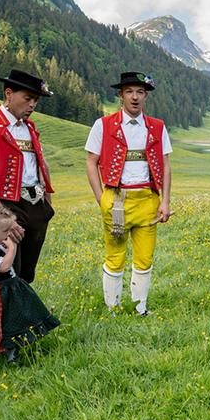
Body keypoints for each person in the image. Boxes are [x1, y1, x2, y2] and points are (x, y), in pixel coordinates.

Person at [85, 71, 173, 314]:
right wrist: (101, 197)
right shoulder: (102, 125)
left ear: (146, 96)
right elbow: (91, 161)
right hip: (117, 199)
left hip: (148, 199)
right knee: (115, 256)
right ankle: (112, 309)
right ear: (121, 95)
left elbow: (165, 166)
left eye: (140, 92)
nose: (135, 97)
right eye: (129, 92)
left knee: (145, 258)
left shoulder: (157, 126)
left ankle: (139, 308)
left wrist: (165, 201)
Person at [0, 69, 55, 283]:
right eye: (28, 98)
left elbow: (39, 164)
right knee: (5, 270)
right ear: (8, 94)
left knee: (27, 272)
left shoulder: (29, 128)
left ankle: (23, 313)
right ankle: (2, 314)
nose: (32, 105)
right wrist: (3, 217)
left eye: (36, 100)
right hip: (6, 204)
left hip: (35, 204)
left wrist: (47, 205)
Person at [0, 205, 60, 362]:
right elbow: (3, 267)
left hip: (10, 289)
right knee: (0, 322)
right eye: (5, 231)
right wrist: (12, 247)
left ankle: (18, 344)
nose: (8, 235)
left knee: (18, 317)